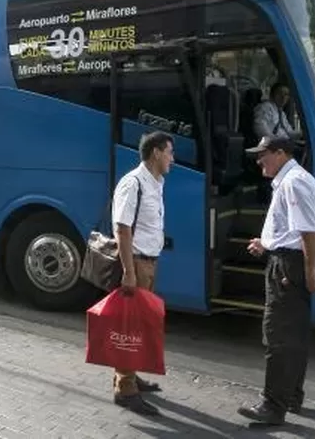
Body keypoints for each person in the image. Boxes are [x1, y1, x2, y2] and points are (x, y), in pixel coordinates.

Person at [238, 135, 315, 425]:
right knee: (295, 334)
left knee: (278, 336)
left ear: (281, 153)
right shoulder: (294, 179)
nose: (259, 160)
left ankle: (272, 407)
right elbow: (294, 230)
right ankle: (291, 398)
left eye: (263, 154)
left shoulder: (293, 182)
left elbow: (309, 232)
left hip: (288, 268)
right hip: (289, 260)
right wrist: (268, 243)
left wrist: (311, 272)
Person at [110, 130, 174, 416]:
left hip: (148, 262)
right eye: (169, 152)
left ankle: (131, 376)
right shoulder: (133, 183)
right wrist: (128, 272)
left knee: (139, 325)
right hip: (135, 263)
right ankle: (125, 389)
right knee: (129, 326)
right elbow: (123, 228)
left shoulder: (155, 183)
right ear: (156, 152)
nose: (172, 158)